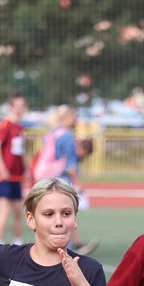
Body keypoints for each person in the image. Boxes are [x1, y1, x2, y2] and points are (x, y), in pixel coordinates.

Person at [35, 105, 99, 255]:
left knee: (48, 215)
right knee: (65, 215)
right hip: (61, 179)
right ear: (65, 117)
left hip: (46, 177)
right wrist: (77, 184)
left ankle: (48, 249)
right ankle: (66, 250)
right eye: (72, 115)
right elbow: (70, 165)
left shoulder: (53, 134)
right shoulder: (68, 136)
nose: (75, 118)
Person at [0, 93, 28, 247]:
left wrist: (26, 168)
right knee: (4, 211)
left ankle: (17, 242)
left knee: (19, 210)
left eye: (22, 106)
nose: (19, 109)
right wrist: (1, 167)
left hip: (17, 176)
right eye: (16, 105)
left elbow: (20, 150)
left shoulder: (20, 127)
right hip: (6, 177)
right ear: (11, 107)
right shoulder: (6, 124)